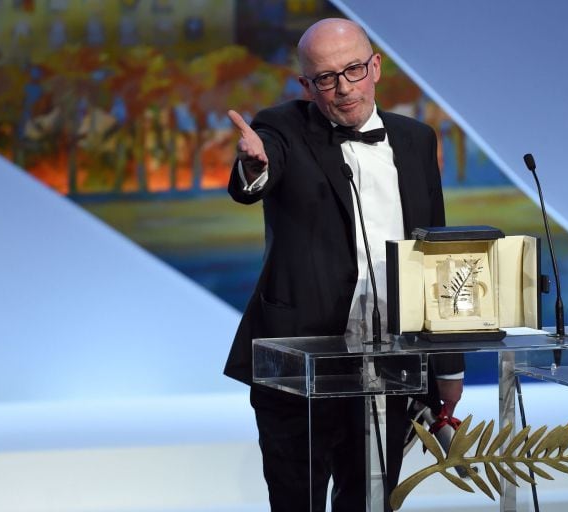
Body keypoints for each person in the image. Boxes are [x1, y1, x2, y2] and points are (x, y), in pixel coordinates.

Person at [224, 18, 464, 511]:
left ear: (375, 67)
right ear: (306, 86)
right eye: (326, 78)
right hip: (299, 364)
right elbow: (262, 170)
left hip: (391, 367)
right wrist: (255, 165)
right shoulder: (282, 126)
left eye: (353, 70)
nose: (343, 88)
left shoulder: (417, 140)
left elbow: (435, 259)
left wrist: (447, 369)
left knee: (369, 503)